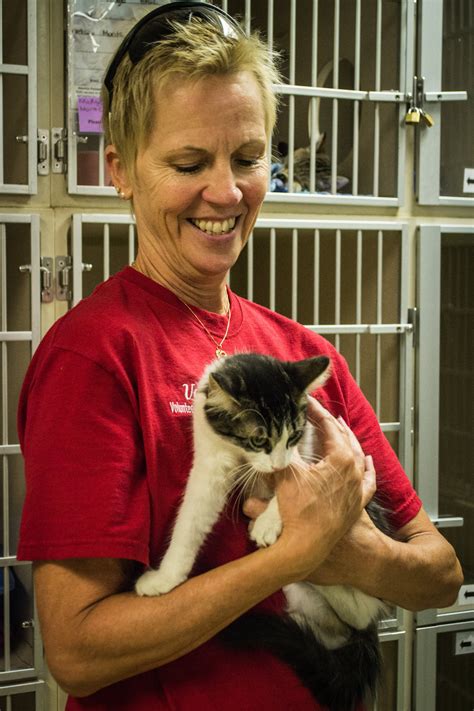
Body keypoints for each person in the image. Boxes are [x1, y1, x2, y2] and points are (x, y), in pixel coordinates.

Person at [17, 3, 462, 710]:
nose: (226, 192)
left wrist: (346, 549)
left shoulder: (304, 356)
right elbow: (76, 651)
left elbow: (439, 571)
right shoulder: (96, 354)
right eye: (189, 162)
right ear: (121, 169)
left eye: (249, 158)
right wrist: (294, 554)